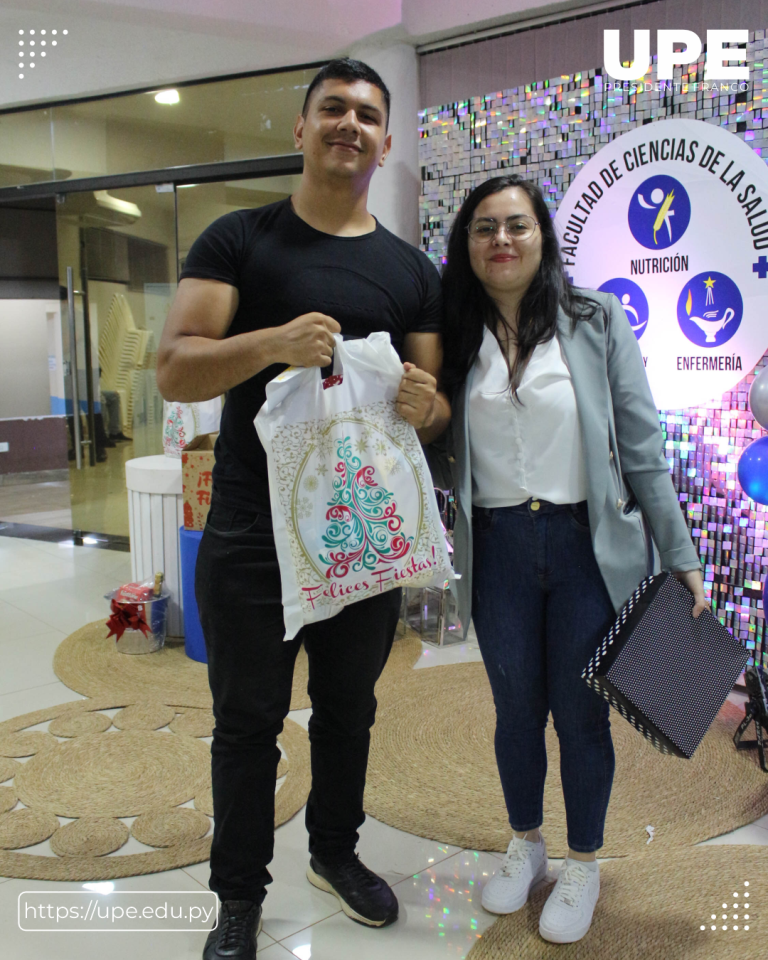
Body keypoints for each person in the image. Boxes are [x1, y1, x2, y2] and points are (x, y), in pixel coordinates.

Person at [156, 58, 449, 960]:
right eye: (332, 108)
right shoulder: (238, 241)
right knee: (246, 720)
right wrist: (272, 344)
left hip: (356, 531)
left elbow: (435, 409)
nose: (348, 124)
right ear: (301, 128)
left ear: (386, 141)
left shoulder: (409, 270)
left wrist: (421, 405)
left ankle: (334, 852)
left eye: (367, 113)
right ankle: (238, 899)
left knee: (349, 708)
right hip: (249, 530)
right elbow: (174, 364)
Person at [438, 175, 705, 944]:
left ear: (543, 235)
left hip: (587, 545)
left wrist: (682, 554)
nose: (502, 241)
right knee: (515, 711)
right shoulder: (454, 332)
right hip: (499, 551)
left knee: (582, 717)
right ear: (468, 244)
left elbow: (643, 447)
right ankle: (527, 844)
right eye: (485, 228)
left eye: (517, 225)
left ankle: (583, 861)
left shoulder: (594, 319)